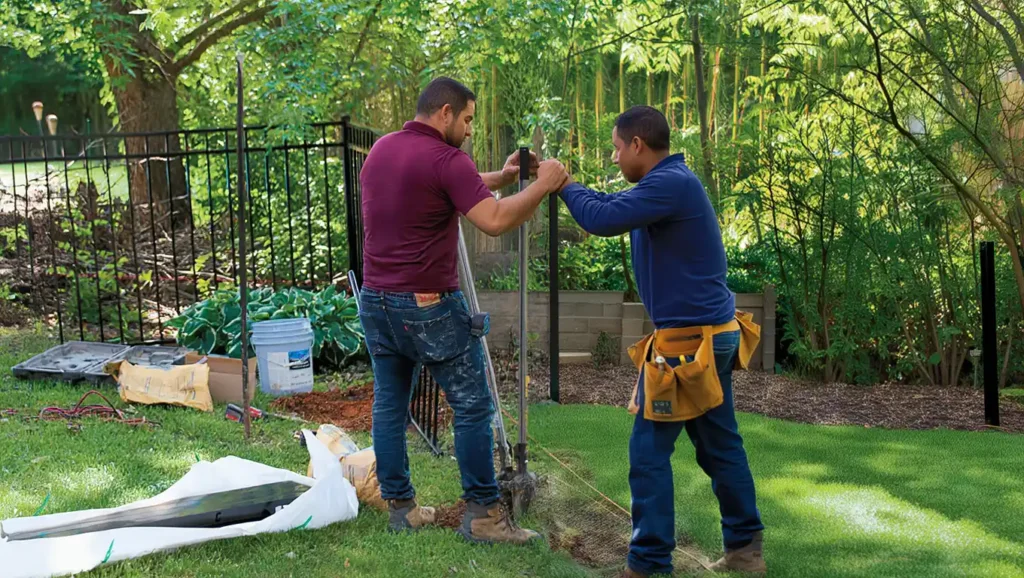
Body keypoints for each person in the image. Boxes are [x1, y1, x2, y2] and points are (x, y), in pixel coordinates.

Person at [357, 77, 568, 544]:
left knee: (389, 404)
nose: (470, 129)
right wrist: (543, 185)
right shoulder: (447, 159)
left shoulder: (382, 151)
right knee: (472, 405)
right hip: (427, 306)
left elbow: (442, 187)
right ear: (446, 113)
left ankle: (402, 509)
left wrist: (504, 178)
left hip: (376, 302)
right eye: (468, 119)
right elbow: (493, 220)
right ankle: (484, 516)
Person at [557, 106, 766, 576]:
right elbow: (608, 206)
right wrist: (567, 184)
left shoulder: (670, 183)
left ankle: (649, 563)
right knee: (719, 447)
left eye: (616, 147)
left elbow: (601, 217)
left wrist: (564, 183)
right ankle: (745, 551)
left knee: (648, 451)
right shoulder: (669, 182)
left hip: (690, 345)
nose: (614, 157)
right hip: (707, 336)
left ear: (638, 145)